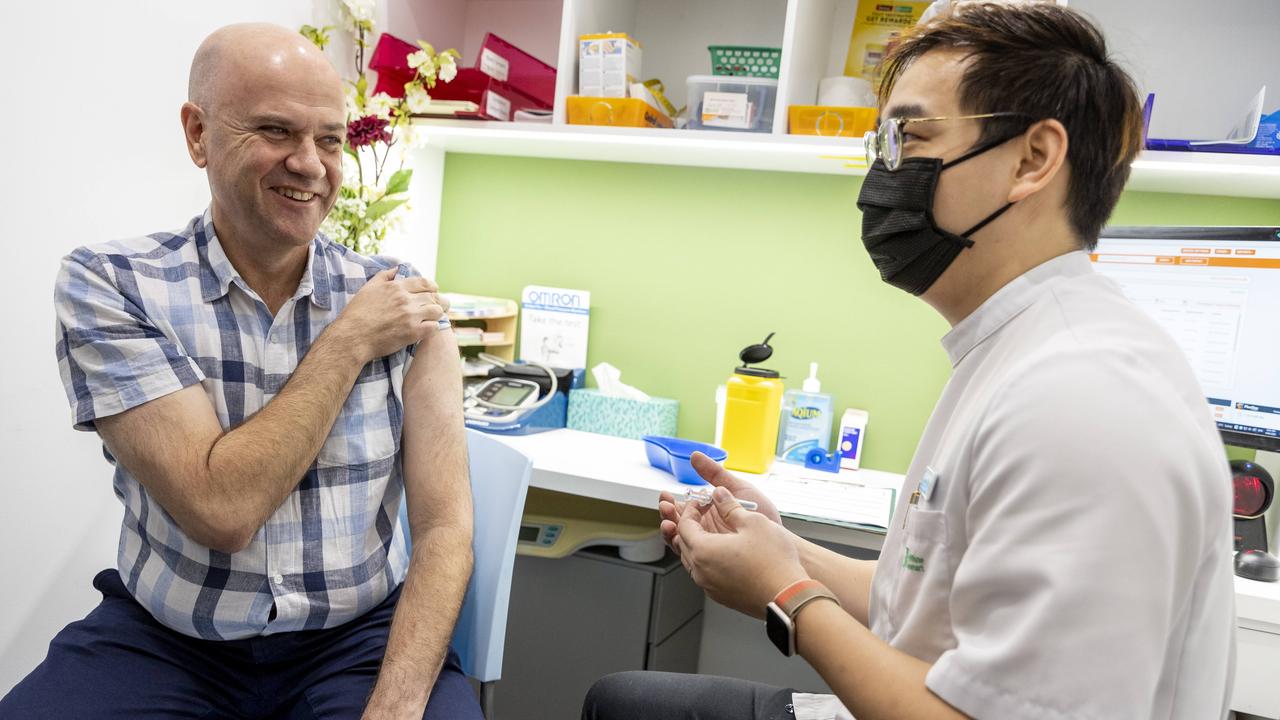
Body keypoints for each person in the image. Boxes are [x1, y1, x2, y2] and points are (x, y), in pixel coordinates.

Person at [583, 3, 1235, 719]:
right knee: (623, 699)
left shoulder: (1083, 399)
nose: (883, 175)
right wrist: (782, 549)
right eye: (880, 146)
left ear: (1033, 159)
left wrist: (787, 595)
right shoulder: (1017, 349)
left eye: (911, 138)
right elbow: (929, 596)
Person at [1, 23, 481, 720]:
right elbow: (219, 511)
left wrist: (397, 705)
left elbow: (445, 531)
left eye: (330, 139)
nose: (310, 164)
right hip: (169, 640)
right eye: (276, 130)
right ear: (198, 134)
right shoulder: (112, 286)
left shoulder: (401, 301)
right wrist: (347, 342)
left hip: (352, 641)